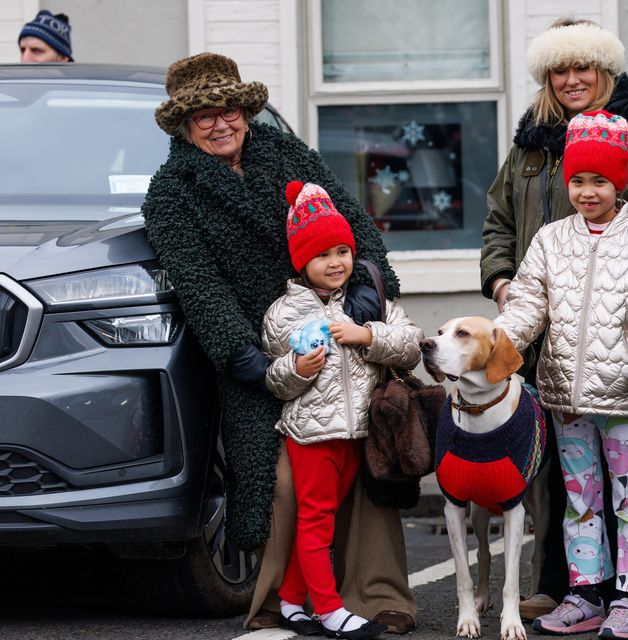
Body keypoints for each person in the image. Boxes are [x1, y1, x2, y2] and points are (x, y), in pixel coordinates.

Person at [141, 52, 416, 632]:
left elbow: (357, 226)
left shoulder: (285, 152)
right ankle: (283, 597)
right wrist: (247, 358)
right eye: (204, 115)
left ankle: (377, 593)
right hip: (261, 354)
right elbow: (200, 286)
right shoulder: (171, 193)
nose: (221, 124)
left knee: (369, 455)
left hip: (345, 329)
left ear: (247, 110)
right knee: (288, 482)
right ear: (183, 125)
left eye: (230, 110)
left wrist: (370, 288)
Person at [481, 17, 628, 622]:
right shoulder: (530, 144)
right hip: (552, 342)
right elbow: (500, 223)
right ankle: (575, 588)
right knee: (569, 481)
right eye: (559, 69)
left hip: (616, 350)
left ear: (604, 71)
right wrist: (504, 286)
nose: (571, 79)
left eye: (581, 67)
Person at [260, 182, 423, 638]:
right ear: (301, 262)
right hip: (311, 435)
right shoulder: (283, 314)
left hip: (359, 434)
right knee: (316, 521)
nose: (335, 263)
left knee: (323, 517)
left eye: (342, 251)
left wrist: (367, 336)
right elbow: (274, 378)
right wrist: (297, 367)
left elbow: (409, 344)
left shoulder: (370, 300)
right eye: (322, 255)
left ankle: (292, 600)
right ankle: (329, 609)